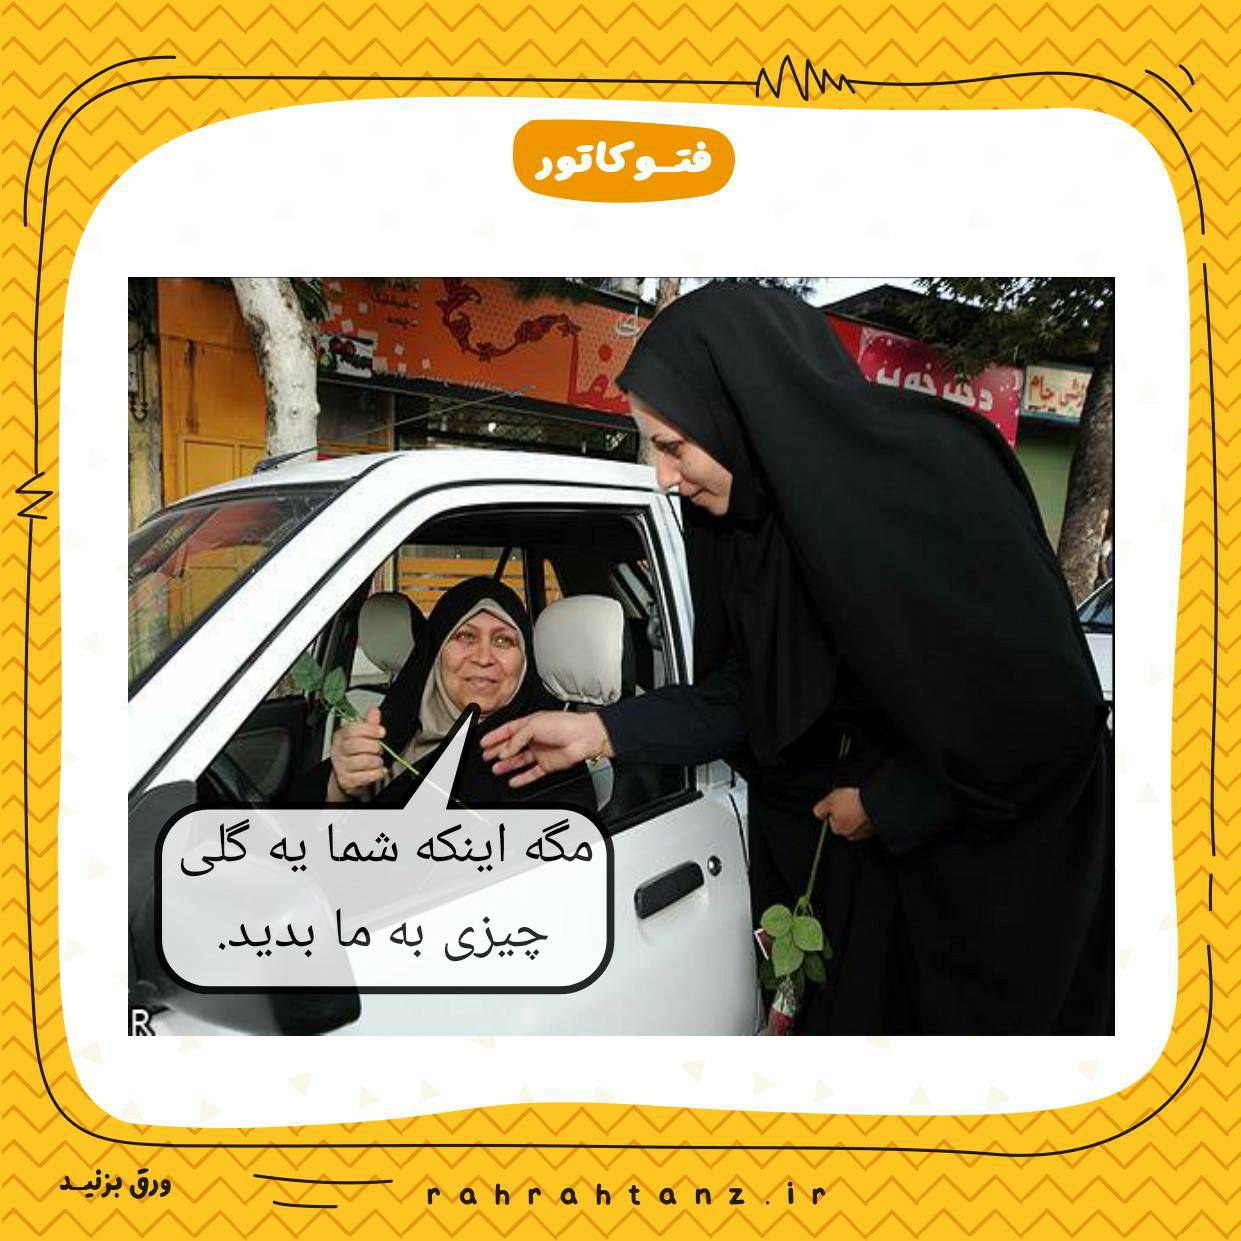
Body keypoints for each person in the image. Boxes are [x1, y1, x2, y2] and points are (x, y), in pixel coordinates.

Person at [481, 280, 1114, 1036]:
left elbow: (1044, 713)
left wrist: (890, 804)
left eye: (672, 446)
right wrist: (597, 731)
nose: (663, 477)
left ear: (739, 408)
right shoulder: (736, 527)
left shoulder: (934, 475)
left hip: (983, 889)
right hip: (839, 863)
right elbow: (749, 692)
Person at [291, 576, 596, 813]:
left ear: (525, 662)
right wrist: (338, 789)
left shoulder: (545, 762)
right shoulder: (385, 728)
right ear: (436, 653)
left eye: (503, 640)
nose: (484, 658)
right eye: (466, 636)